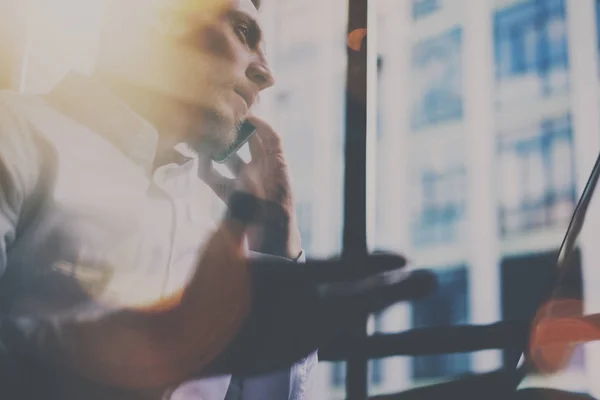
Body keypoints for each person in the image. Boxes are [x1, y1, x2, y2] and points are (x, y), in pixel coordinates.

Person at [0, 0, 319, 398]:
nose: (266, 74)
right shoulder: (12, 133)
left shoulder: (219, 231)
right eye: (242, 30)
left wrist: (277, 242)